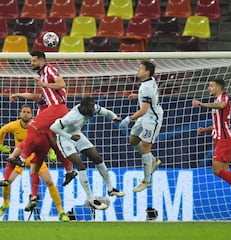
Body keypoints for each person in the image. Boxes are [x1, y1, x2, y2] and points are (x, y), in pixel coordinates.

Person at [0, 104, 70, 221]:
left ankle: (61, 212)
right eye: (24, 112)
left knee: (49, 181)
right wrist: (0, 145)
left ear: (32, 115)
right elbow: (2, 130)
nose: (26, 114)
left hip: (35, 157)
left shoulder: (37, 126)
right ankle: (5, 203)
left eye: (28, 112)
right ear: (20, 113)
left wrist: (52, 152)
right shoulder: (14, 126)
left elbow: (48, 137)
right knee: (7, 182)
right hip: (21, 158)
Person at [50, 97, 125, 210]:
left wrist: (114, 117)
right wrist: (70, 137)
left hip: (77, 135)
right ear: (84, 107)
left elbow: (107, 112)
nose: (92, 109)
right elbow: (53, 127)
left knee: (97, 158)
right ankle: (91, 199)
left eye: (93, 107)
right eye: (90, 107)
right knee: (80, 165)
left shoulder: (91, 108)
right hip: (64, 139)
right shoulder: (71, 117)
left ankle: (110, 188)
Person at [192, 79, 231, 212]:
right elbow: (218, 122)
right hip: (219, 138)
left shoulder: (223, 98)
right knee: (223, 171)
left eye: (211, 86)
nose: (208, 88)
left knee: (217, 170)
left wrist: (201, 104)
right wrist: (205, 130)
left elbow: (221, 105)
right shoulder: (217, 100)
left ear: (218, 87)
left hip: (224, 139)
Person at [119, 60, 163, 192]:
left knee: (145, 147)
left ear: (147, 72)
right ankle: (153, 161)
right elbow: (146, 100)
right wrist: (136, 96)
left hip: (152, 119)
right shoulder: (148, 82)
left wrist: (129, 118)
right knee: (133, 140)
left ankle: (146, 181)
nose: (138, 70)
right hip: (145, 116)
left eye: (140, 69)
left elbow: (143, 110)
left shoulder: (147, 88)